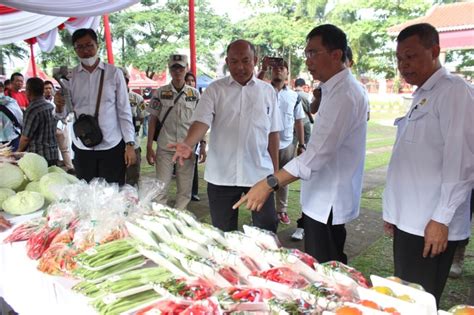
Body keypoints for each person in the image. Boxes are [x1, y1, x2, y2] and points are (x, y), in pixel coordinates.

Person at [233, 25, 368, 264]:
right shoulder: (332, 89)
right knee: (320, 264)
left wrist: (269, 183)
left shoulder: (345, 94)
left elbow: (316, 155)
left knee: (327, 268)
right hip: (320, 195)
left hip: (329, 200)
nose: (308, 61)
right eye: (306, 54)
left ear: (336, 55)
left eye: (313, 53)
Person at [382, 23, 474, 306]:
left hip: (431, 223)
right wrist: (392, 210)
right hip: (410, 219)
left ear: (434, 51)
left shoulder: (454, 92)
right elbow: (410, 159)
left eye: (410, 56)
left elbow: (461, 163)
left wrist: (442, 219)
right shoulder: (424, 93)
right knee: (406, 296)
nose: (403, 65)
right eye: (399, 59)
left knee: (418, 302)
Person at [170, 39, 282, 233]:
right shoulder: (215, 90)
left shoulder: (267, 92)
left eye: (245, 61)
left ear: (254, 60)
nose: (240, 67)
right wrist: (188, 143)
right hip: (221, 175)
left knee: (267, 229)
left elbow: (273, 133)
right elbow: (201, 121)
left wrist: (276, 172)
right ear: (227, 62)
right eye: (234, 61)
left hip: (258, 173)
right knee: (223, 233)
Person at [54, 28, 136, 185]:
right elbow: (63, 115)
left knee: (112, 191)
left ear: (98, 45)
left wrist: (129, 144)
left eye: (89, 45)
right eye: (80, 47)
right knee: (86, 192)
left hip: (111, 144)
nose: (86, 51)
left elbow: (124, 111)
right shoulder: (70, 77)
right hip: (82, 145)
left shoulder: (114, 73)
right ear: (75, 49)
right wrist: (58, 105)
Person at [146, 54, 200, 209]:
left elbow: (200, 121)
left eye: (181, 68)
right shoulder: (160, 93)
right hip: (165, 147)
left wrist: (202, 143)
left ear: (186, 68)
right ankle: (162, 216)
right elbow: (153, 120)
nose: (177, 72)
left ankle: (180, 215)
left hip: (187, 147)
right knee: (161, 187)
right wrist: (149, 146)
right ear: (169, 70)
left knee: (185, 189)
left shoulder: (194, 94)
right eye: (174, 68)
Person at [258, 58, 306, 225]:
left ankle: (281, 211)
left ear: (287, 73)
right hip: (265, 145)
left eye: (282, 68)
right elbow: (252, 87)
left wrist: (301, 144)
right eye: (275, 67)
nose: (278, 70)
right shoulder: (263, 90)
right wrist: (263, 69)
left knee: (283, 179)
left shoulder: (294, 96)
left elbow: (299, 121)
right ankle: (265, 210)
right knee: (264, 177)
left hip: (286, 144)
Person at [291, 77, 314, 240]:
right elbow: (311, 109)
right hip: (304, 126)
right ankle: (303, 225)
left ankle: (304, 225)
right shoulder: (304, 96)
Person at [18, 78, 58, 166]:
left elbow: (25, 138)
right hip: (53, 153)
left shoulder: (32, 109)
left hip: (38, 156)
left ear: (28, 91)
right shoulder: (50, 106)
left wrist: (18, 152)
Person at [120, 68, 146, 187]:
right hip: (112, 145)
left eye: (122, 80)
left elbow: (141, 118)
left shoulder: (137, 99)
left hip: (133, 143)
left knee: (132, 178)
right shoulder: (107, 99)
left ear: (127, 81)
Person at [184, 71, 207, 202]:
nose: (190, 83)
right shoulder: (180, 96)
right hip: (178, 136)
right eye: (188, 80)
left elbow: (202, 120)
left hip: (194, 136)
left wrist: (203, 142)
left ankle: (193, 192)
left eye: (192, 81)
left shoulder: (198, 97)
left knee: (193, 166)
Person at [44, 80, 74, 172]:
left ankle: (70, 167)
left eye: (50, 88)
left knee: (64, 148)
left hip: (60, 127)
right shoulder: (42, 101)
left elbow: (66, 112)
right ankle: (55, 168)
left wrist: (64, 120)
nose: (48, 90)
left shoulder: (58, 99)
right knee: (52, 149)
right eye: (46, 88)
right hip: (49, 129)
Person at [0, 82, 23, 151]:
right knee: (15, 160)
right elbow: (20, 119)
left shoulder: (11, 102)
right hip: (13, 137)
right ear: (2, 89)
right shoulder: (11, 102)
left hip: (5, 140)